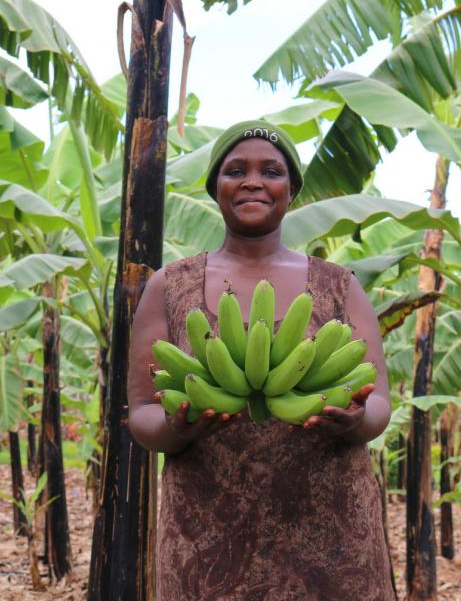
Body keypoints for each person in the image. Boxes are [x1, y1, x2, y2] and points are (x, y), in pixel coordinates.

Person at [127, 119, 395, 600]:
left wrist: (353, 422)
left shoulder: (339, 285)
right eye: (235, 170)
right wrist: (176, 431)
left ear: (291, 188)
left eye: (271, 170)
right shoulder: (169, 286)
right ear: (215, 188)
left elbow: (378, 402)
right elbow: (143, 410)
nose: (253, 181)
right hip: (208, 533)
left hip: (329, 530)